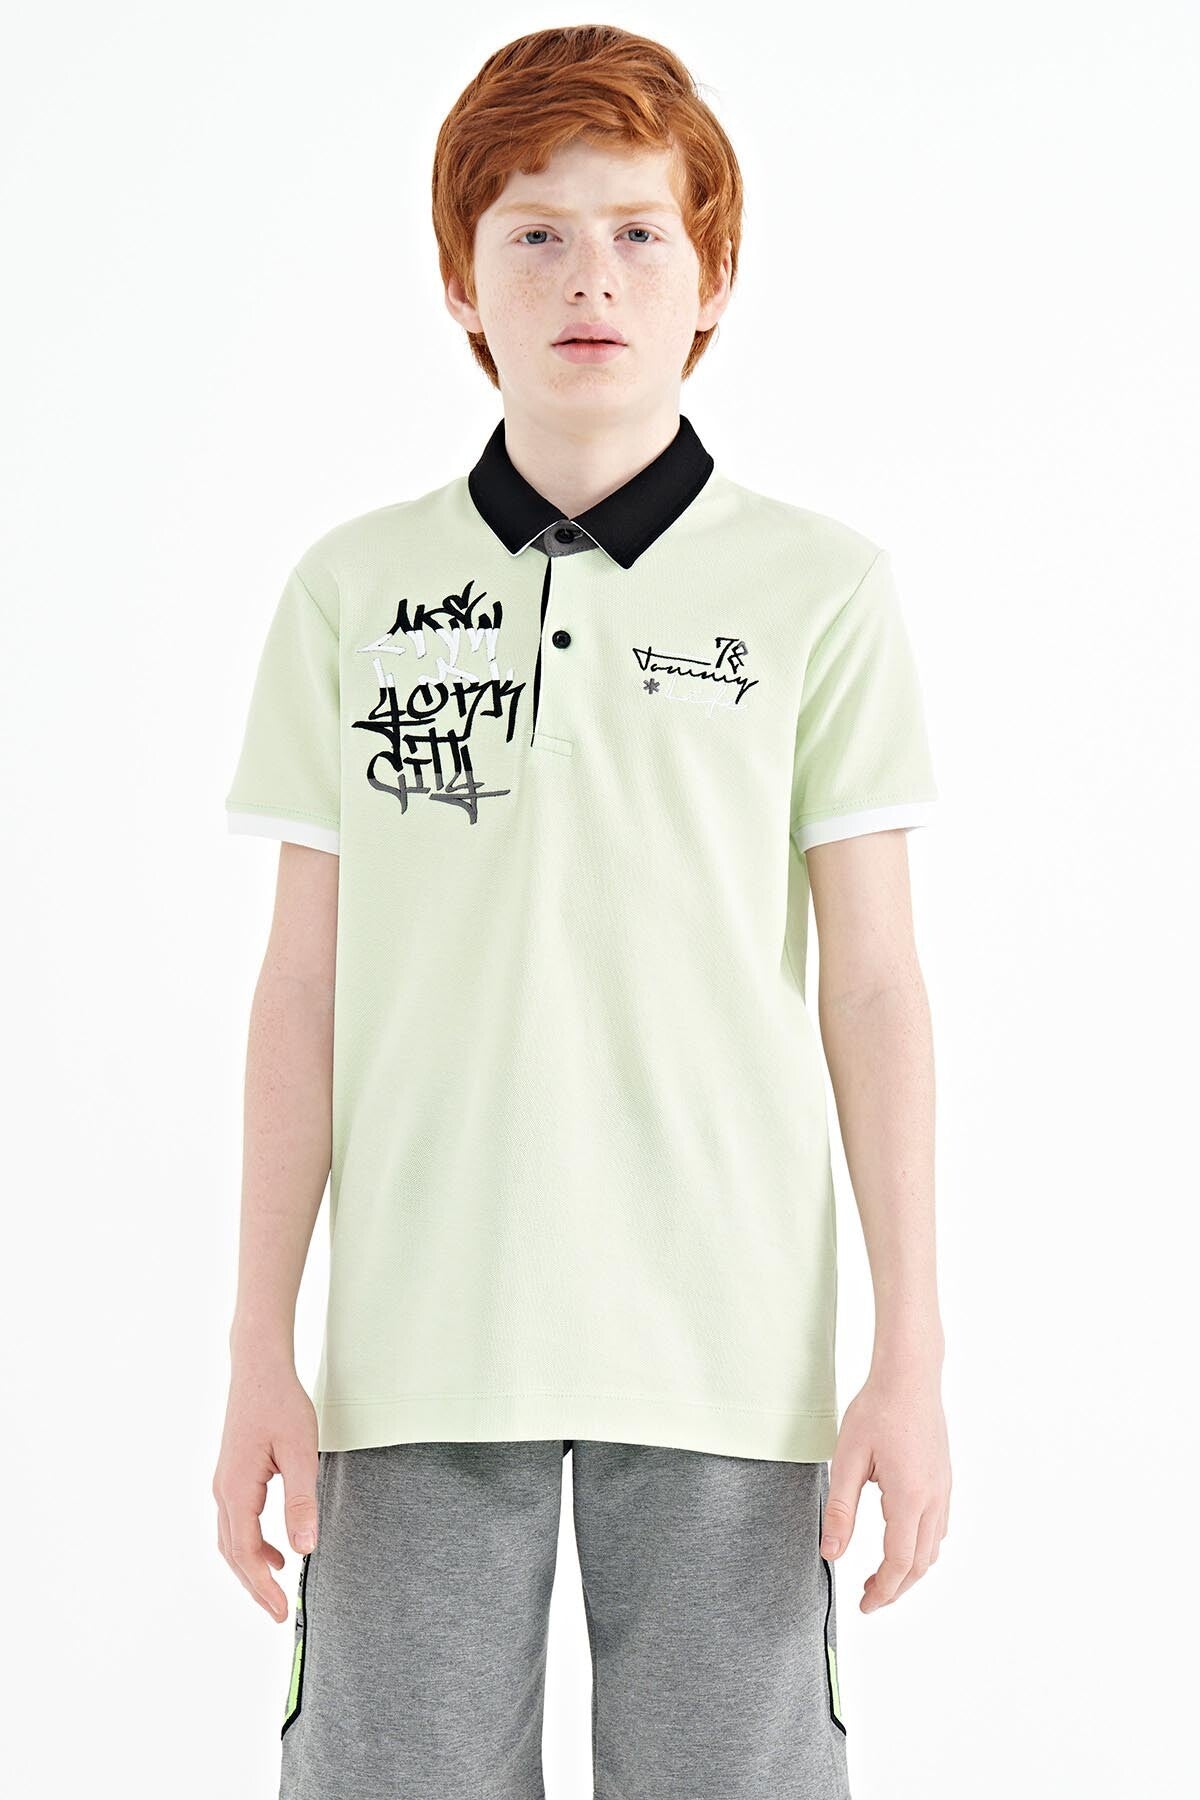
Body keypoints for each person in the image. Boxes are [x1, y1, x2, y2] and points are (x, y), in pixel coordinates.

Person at [214, 23, 951, 1799]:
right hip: (412, 1356)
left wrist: (909, 1352)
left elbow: (873, 986)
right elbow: (301, 989)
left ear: (714, 279)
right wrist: (258, 1349)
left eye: (639, 233)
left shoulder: (821, 591)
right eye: (534, 234)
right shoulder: (351, 591)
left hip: (728, 1354)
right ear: (460, 280)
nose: (590, 279)